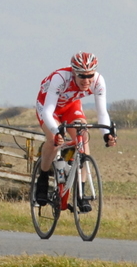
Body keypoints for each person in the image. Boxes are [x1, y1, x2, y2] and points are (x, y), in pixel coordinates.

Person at [33, 52, 117, 209]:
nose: (86, 81)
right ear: (73, 72)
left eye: (90, 75)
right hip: (48, 107)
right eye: (82, 76)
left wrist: (107, 135)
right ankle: (43, 178)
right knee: (53, 140)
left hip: (70, 107)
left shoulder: (98, 81)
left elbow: (102, 113)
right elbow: (47, 112)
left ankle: (81, 193)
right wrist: (57, 132)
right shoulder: (60, 78)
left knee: (83, 138)